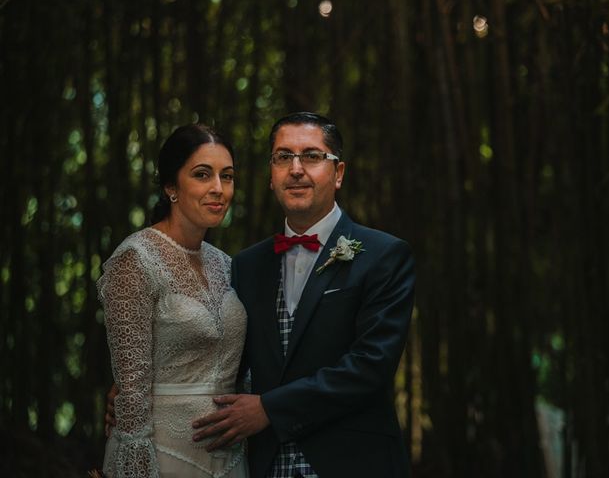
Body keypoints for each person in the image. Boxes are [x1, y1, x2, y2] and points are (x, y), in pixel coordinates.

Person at [190, 112, 416, 477]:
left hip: (353, 463)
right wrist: (147, 392)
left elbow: (370, 365)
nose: (296, 169)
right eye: (283, 157)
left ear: (338, 173)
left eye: (311, 156)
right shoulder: (246, 265)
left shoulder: (384, 255)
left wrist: (269, 409)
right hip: (265, 464)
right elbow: (226, 359)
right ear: (270, 175)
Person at [99, 124, 248, 477]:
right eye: (202, 175)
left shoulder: (226, 264)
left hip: (232, 457)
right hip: (164, 455)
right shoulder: (135, 259)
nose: (218, 189)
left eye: (227, 177)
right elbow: (131, 392)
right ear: (171, 187)